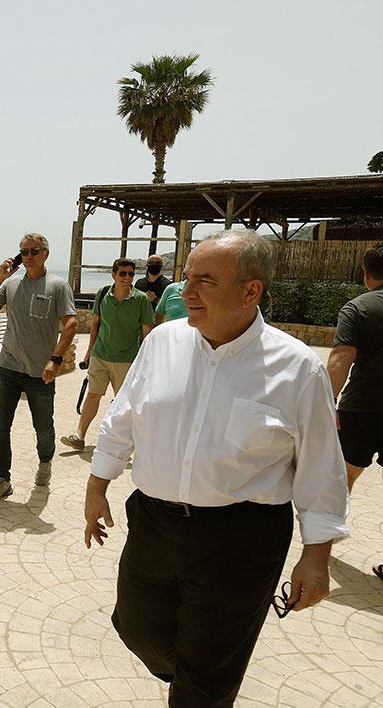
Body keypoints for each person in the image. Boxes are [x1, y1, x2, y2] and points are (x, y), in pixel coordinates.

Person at [84, 230, 348, 707]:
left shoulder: (298, 369)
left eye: (204, 281)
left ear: (251, 292)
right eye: (187, 278)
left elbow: (321, 469)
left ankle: (200, 685)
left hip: (241, 539)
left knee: (209, 676)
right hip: (154, 523)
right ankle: (192, 673)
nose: (186, 292)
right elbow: (123, 417)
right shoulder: (162, 342)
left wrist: (317, 555)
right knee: (136, 629)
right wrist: (97, 484)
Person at [0, 235, 77, 501]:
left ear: (45, 254)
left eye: (34, 251)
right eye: (24, 252)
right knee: (0, 428)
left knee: (43, 427)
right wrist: (0, 276)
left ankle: (45, 461)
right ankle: (2, 478)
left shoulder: (57, 286)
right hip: (8, 366)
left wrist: (55, 360)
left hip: (40, 371)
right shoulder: (10, 283)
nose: (29, 256)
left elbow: (70, 324)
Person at [60, 258, 152, 451]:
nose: (127, 277)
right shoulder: (102, 294)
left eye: (131, 274)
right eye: (123, 273)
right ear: (113, 275)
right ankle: (79, 436)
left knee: (124, 403)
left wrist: (147, 361)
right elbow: (96, 324)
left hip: (127, 360)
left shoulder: (141, 299)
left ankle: (125, 444)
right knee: (93, 394)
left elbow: (146, 332)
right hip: (100, 355)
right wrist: (89, 351)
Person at [327, 243, 383, 501]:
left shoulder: (357, 308)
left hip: (360, 408)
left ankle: (333, 523)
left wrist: (327, 401)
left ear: (366, 274)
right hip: (362, 407)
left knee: (346, 474)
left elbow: (342, 357)